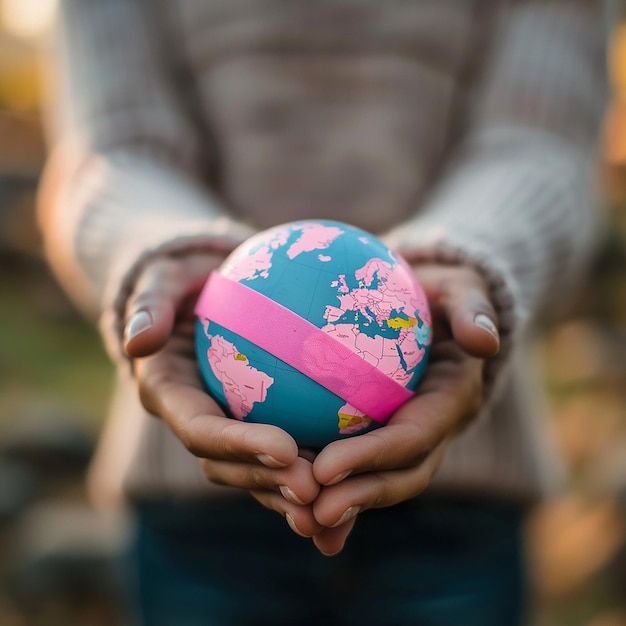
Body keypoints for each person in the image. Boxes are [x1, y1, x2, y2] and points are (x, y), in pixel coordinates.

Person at [38, 1, 609, 624]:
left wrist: (469, 261)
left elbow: (540, 143)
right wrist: (168, 252)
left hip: (457, 511)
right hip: (200, 504)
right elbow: (114, 150)